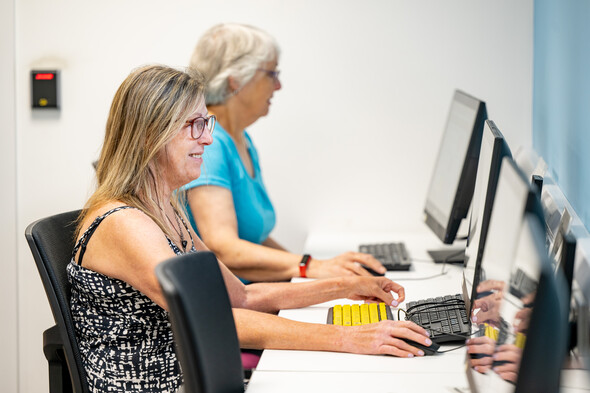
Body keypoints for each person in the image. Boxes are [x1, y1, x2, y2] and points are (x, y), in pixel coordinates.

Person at [68, 64, 432, 392]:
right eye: (194, 126)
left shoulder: (164, 208)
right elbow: (212, 321)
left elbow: (241, 297)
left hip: (191, 374)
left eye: (205, 123)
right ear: (150, 135)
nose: (207, 139)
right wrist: (348, 338)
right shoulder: (124, 223)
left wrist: (345, 286)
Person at [183, 23, 385, 282]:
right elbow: (224, 249)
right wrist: (308, 267)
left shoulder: (240, 138)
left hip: (255, 295)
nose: (278, 85)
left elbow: (254, 238)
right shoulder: (209, 144)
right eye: (271, 73)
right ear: (236, 79)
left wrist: (315, 271)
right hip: (231, 308)